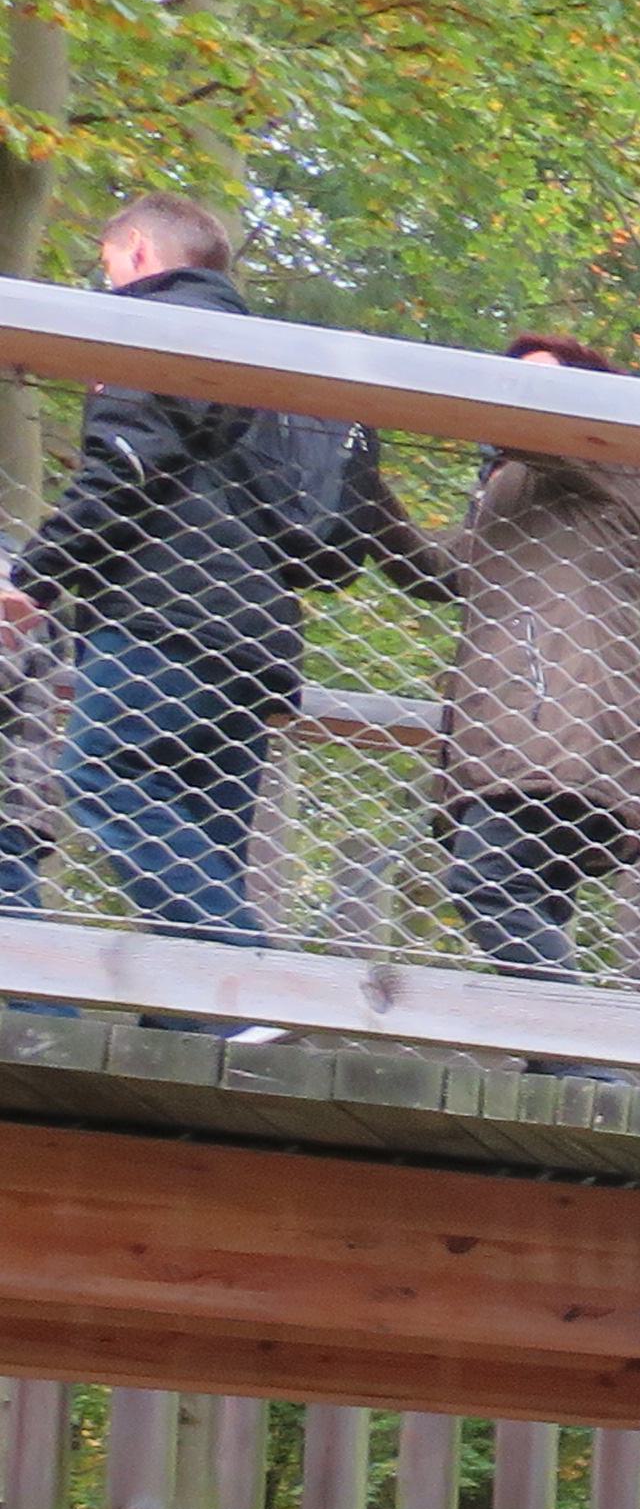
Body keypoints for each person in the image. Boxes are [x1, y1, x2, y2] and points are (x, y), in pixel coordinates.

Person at [0, 194, 400, 946]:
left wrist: (32, 578)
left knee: (103, 774)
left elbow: (124, 469)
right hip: (257, 640)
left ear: (139, 251)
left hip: (161, 619)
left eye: (109, 264)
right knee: (206, 851)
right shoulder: (272, 361)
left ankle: (258, 978)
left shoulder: (151, 329)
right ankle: (225, 997)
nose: (108, 282)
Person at [354, 335, 640, 978]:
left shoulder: (617, 457)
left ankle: (578, 1036)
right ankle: (560, 1036)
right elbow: (441, 568)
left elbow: (529, 426)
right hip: (518, 721)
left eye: (542, 383)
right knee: (532, 901)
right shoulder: (515, 490)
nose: (519, 397)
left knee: (487, 881)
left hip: (564, 712)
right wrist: (364, 491)